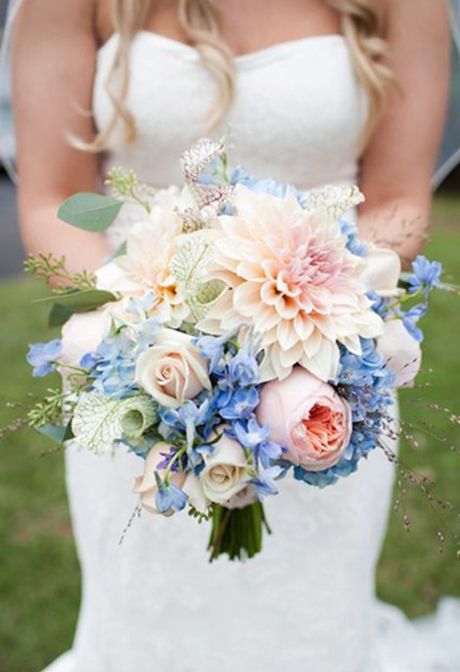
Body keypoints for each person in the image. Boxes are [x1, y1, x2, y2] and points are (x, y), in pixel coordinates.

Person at [11, 1, 455, 671]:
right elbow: (52, 196)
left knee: (311, 631)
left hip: (320, 368)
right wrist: (141, 329)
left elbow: (397, 199)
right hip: (143, 365)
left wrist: (324, 321)